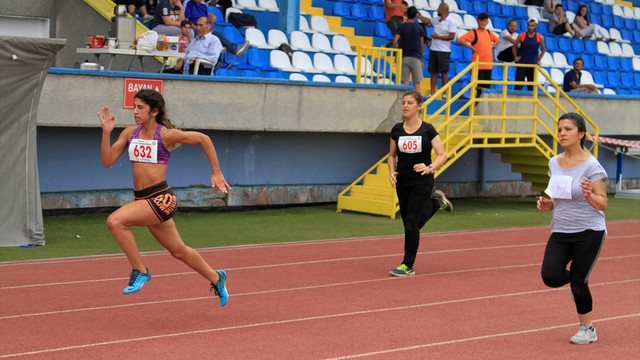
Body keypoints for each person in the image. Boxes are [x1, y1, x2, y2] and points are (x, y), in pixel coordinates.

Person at [97, 88, 230, 306]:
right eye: (134, 107)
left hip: (161, 198)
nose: (135, 112)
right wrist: (105, 133)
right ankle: (217, 278)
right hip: (143, 200)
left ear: (154, 111)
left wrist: (216, 171)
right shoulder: (129, 133)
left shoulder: (165, 134)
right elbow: (107, 161)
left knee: (115, 221)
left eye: (141, 108)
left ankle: (140, 270)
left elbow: (204, 139)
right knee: (178, 251)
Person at [537, 112, 608, 344]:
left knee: (578, 281)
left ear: (581, 134)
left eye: (568, 129)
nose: (562, 134)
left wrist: (589, 195)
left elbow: (603, 202)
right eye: (559, 130)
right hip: (561, 230)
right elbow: (557, 197)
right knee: (551, 276)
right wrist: (548, 205)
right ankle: (579, 281)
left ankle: (587, 329)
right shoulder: (553, 162)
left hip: (589, 230)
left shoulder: (591, 165)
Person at [387, 90, 453, 277]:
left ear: (419, 106)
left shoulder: (428, 129)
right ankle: (436, 202)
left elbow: (443, 155)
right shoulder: (396, 130)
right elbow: (391, 156)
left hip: (422, 181)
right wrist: (392, 171)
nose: (405, 106)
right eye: (403, 103)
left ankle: (408, 265)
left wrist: (430, 168)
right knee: (411, 223)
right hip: (403, 181)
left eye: (409, 103)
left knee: (411, 223)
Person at [183, 0, 249, 56]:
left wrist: (208, 29)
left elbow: (207, 20)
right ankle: (231, 49)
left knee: (217, 33)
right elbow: (187, 21)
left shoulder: (202, 6)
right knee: (214, 35)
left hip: (204, 28)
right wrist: (198, 28)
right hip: (195, 28)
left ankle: (230, 49)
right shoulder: (189, 4)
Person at [456, 13, 499, 96]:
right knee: (477, 88)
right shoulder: (473, 32)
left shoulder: (489, 32)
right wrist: (471, 47)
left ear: (487, 22)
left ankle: (484, 107)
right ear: (478, 21)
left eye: (485, 21)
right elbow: (460, 40)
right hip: (477, 65)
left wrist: (491, 46)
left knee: (486, 89)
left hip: (488, 65)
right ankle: (476, 106)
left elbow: (497, 40)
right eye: (481, 21)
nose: (483, 23)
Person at [393, 6, 426, 93]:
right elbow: (422, 46)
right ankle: (418, 105)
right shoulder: (419, 27)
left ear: (407, 14)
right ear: (415, 15)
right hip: (415, 57)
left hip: (404, 57)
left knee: (405, 83)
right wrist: (420, 59)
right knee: (417, 84)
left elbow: (395, 42)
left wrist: (398, 52)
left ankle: (405, 103)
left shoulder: (402, 26)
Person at [427, 2, 457, 97]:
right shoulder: (437, 19)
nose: (437, 10)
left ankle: (444, 93)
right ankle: (432, 92)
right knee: (433, 71)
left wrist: (438, 37)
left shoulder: (451, 21)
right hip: (434, 49)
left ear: (443, 9)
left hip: (444, 50)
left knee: (444, 72)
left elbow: (452, 36)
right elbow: (428, 21)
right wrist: (417, 15)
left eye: (438, 8)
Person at [513, 18, 546, 91]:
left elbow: (544, 49)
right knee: (518, 85)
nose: (530, 27)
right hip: (522, 63)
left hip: (532, 64)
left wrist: (538, 59)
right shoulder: (522, 35)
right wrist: (515, 57)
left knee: (532, 87)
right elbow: (514, 46)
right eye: (529, 25)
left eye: (532, 26)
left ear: (536, 26)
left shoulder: (539, 37)